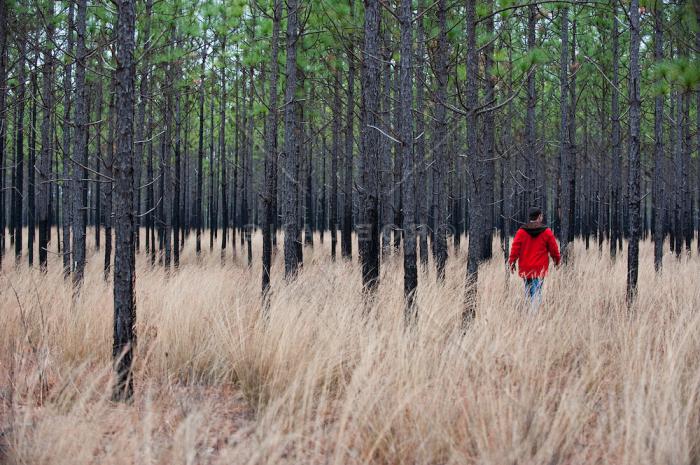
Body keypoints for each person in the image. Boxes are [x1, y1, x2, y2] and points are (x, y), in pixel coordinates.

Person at [508, 207, 561, 307]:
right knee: (536, 293)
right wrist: (557, 261)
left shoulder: (521, 232)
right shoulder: (546, 232)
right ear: (539, 217)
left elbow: (515, 249)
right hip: (539, 269)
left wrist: (512, 263)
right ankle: (534, 318)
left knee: (529, 292)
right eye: (541, 216)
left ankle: (529, 316)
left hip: (525, 268)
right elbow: (554, 249)